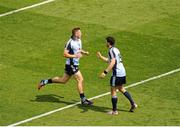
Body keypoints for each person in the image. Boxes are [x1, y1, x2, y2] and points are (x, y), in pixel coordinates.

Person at [38, 27, 93, 105]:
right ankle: (83, 99)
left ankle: (45, 81)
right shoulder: (70, 43)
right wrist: (74, 56)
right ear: (76, 34)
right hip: (71, 65)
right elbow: (64, 54)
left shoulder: (79, 40)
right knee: (80, 79)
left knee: (63, 80)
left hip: (74, 64)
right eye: (80, 32)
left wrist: (84, 52)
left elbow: (78, 50)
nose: (81, 34)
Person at [97, 36, 137, 115]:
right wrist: (101, 57)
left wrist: (105, 72)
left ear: (109, 43)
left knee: (113, 90)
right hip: (122, 72)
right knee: (121, 88)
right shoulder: (116, 49)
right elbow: (109, 60)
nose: (105, 43)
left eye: (106, 42)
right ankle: (133, 104)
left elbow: (113, 62)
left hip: (117, 73)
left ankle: (114, 111)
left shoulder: (111, 50)